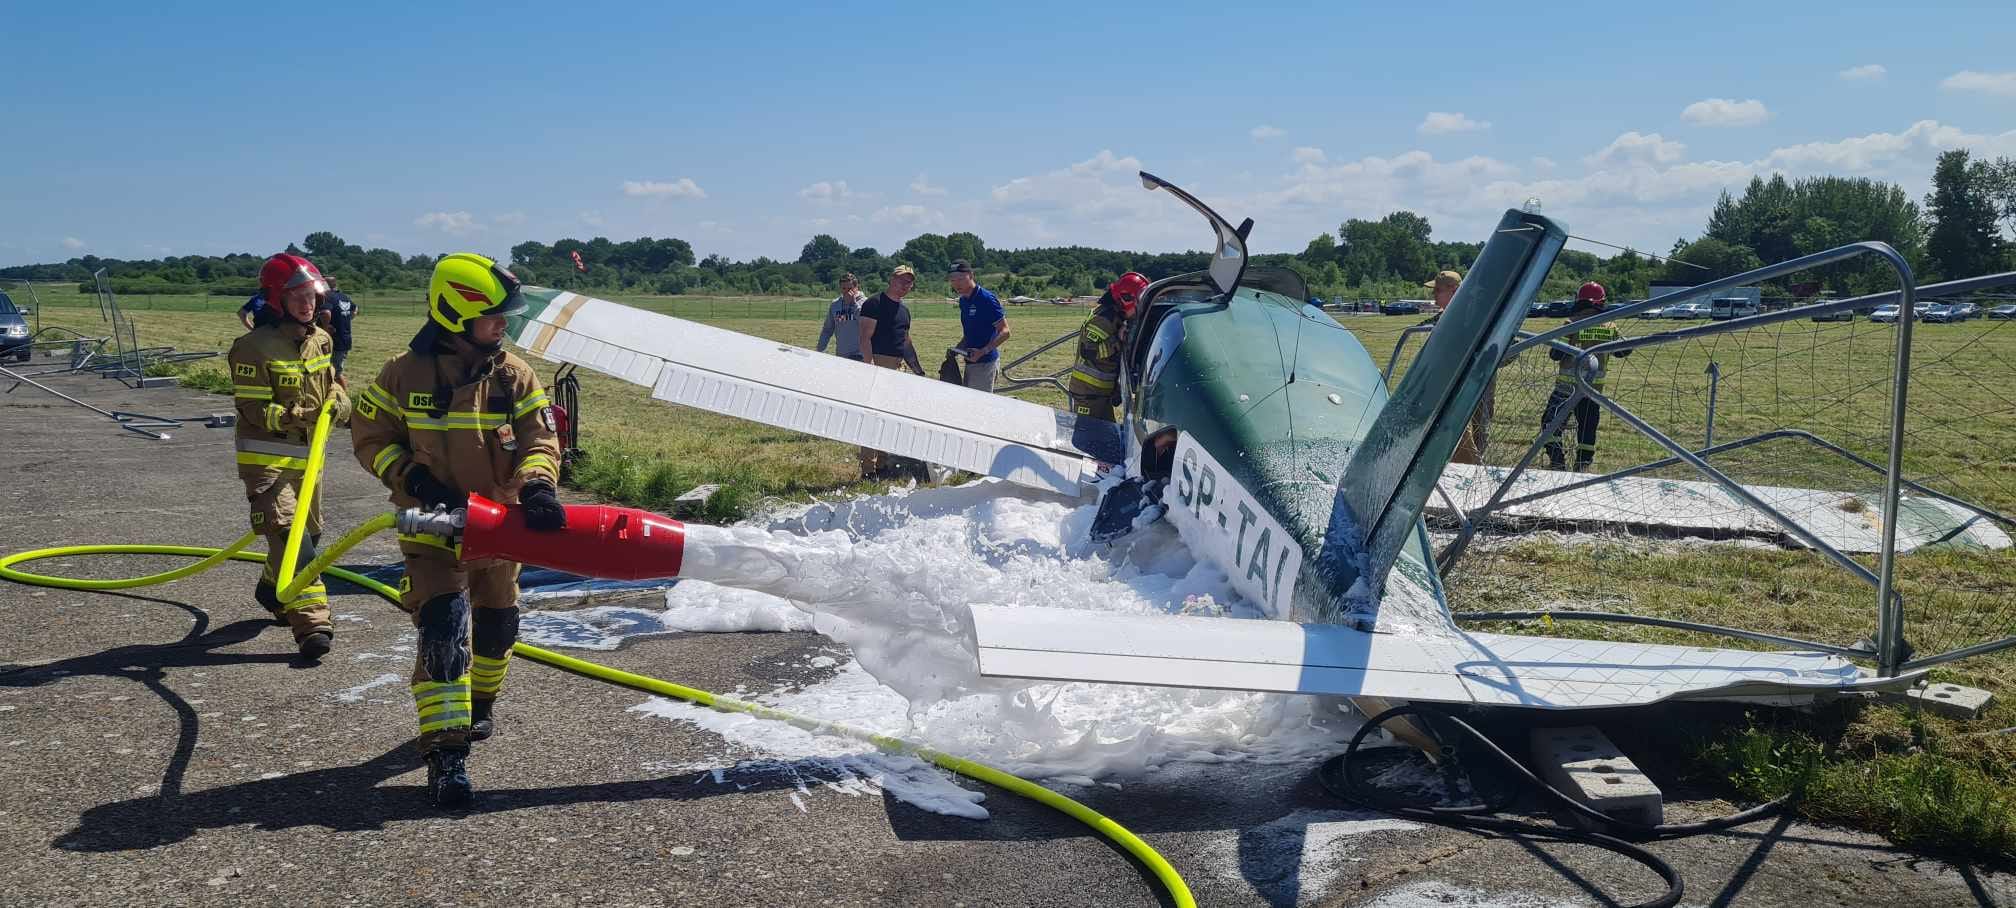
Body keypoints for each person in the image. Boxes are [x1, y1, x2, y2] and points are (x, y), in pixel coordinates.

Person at [350, 252, 566, 807]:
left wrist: (538, 484)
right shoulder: (404, 374)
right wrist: (412, 477)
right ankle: (446, 757)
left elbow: (540, 439)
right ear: (454, 314)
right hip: (433, 530)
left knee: (497, 629)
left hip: (500, 532)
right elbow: (370, 436)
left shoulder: (514, 374)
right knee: (444, 633)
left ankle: (480, 706)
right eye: (494, 316)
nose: (504, 326)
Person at [226, 254, 351, 659]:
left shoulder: (322, 340)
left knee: (311, 535)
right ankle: (313, 620)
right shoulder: (251, 348)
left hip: (309, 459)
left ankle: (270, 588)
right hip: (267, 460)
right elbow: (252, 409)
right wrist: (297, 416)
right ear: (276, 299)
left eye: (311, 294)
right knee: (289, 536)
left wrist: (341, 405)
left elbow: (335, 388)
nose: (307, 303)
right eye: (296, 295)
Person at [1541, 281, 1630, 472]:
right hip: (1592, 391)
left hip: (1565, 390)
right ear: (1601, 301)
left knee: (1550, 424)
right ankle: (1582, 466)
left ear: (1578, 300)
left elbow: (1555, 355)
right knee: (1587, 430)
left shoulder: (1571, 323)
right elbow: (1624, 352)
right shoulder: (1609, 326)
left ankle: (1557, 461)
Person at [855, 265, 924, 478]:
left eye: (909, 282)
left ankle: (883, 465)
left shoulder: (904, 311)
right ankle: (868, 469)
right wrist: (870, 366)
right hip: (879, 363)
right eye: (901, 280)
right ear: (891, 279)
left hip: (898, 366)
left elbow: (905, 341)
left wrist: (917, 369)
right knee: (873, 416)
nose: (905, 285)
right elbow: (865, 337)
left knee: (889, 417)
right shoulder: (874, 303)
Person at [1422, 269, 1491, 465]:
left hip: (1469, 384)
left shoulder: (1472, 315)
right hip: (1447, 384)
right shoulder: (1447, 315)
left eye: (1438, 290)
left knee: (1465, 431)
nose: (1433, 294)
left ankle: (1475, 475)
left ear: (1454, 291)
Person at [1067, 272, 1147, 423]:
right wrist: (1118, 339)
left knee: (1105, 434)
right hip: (1088, 394)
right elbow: (1089, 351)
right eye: (1138, 304)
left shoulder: (1115, 316)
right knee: (1089, 438)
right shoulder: (1103, 319)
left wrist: (1114, 389)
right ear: (1125, 299)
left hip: (1100, 392)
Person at [949, 261, 1009, 391]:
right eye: (953, 279)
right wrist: (958, 348)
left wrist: (982, 352)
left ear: (971, 275)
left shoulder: (986, 299)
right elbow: (971, 332)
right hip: (970, 362)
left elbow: (1005, 331)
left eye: (960, 278)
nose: (956, 283)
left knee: (979, 407)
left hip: (985, 363)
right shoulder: (963, 300)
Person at [815, 273, 868, 360]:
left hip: (861, 355)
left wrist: (853, 304)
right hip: (841, 355)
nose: (846, 291)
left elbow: (865, 325)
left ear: (856, 287)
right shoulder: (835, 305)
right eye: (843, 288)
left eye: (850, 288)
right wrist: (819, 350)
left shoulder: (866, 303)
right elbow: (827, 330)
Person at [315, 277, 358, 382]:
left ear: (324, 284)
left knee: (334, 374)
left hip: (333, 340)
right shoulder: (344, 297)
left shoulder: (327, 296)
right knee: (335, 372)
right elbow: (355, 308)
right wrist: (347, 319)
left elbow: (325, 313)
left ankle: (342, 396)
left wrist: (325, 327)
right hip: (345, 339)